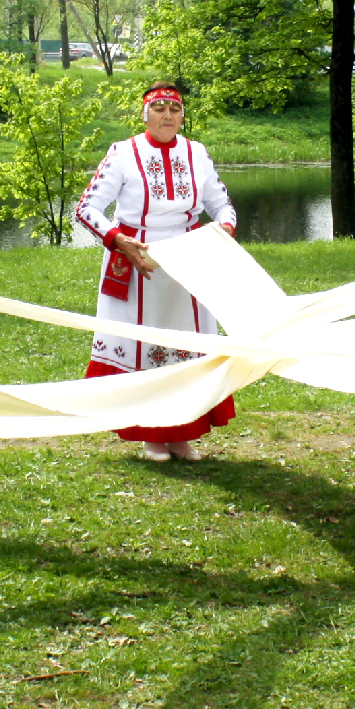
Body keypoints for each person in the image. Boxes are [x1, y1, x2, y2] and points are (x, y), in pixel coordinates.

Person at [73, 82, 238, 462]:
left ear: (182, 116)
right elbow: (86, 209)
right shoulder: (123, 153)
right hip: (138, 259)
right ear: (145, 114)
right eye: (159, 108)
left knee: (187, 346)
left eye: (174, 109)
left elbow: (222, 204)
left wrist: (223, 230)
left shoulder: (196, 153)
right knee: (145, 345)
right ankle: (150, 435)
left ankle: (182, 435)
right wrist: (119, 240)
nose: (167, 115)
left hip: (188, 256)